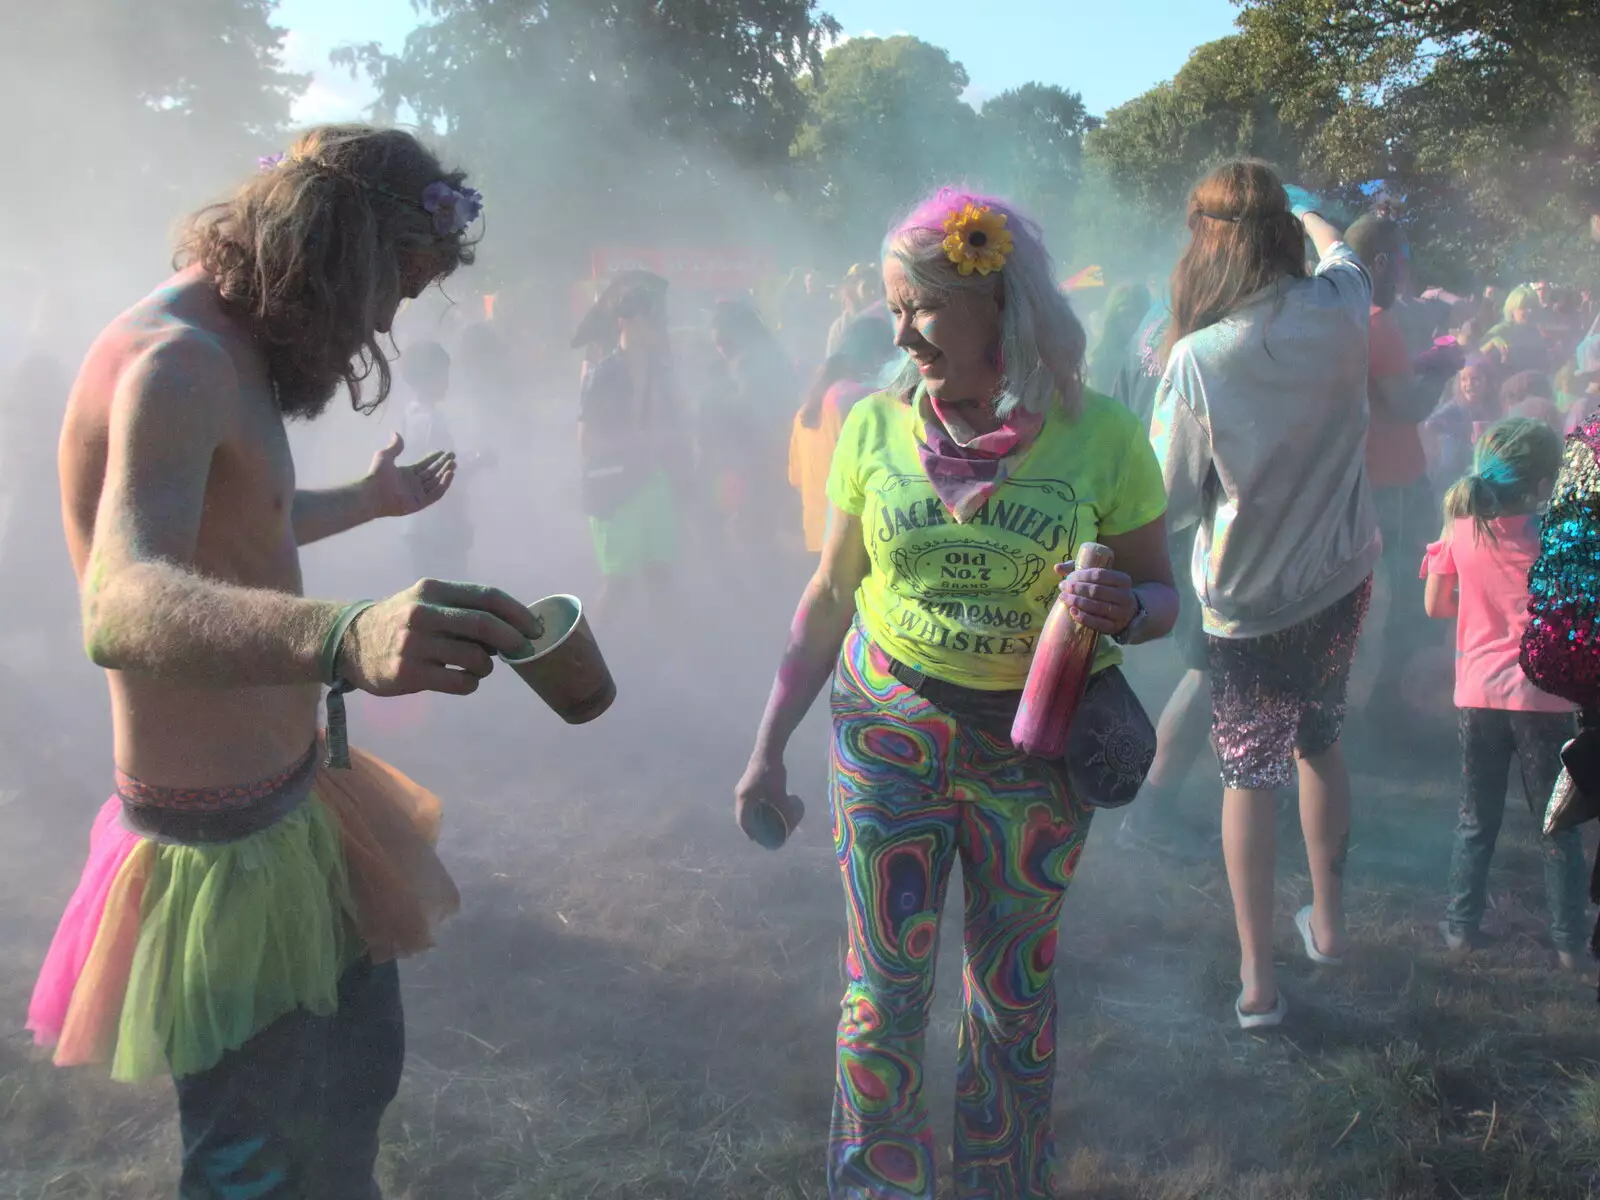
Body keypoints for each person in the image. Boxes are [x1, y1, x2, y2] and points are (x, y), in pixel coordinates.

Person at [25, 125, 540, 1199]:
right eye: (393, 282)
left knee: (353, 1092)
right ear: (337, 248)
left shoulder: (231, 342)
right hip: (220, 842)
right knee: (254, 1163)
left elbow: (238, 524)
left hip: (302, 804)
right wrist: (341, 636)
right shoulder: (178, 361)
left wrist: (368, 501)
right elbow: (122, 602)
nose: (390, 319)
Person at [737, 187, 1176, 1198]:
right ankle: (877, 1188)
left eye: (920, 307)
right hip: (887, 733)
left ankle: (1000, 1185)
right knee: (882, 991)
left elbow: (1164, 601)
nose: (898, 332)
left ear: (1002, 305)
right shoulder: (872, 427)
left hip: (1036, 752)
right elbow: (830, 591)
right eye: (892, 307)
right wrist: (768, 742)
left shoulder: (1101, 433)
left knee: (1010, 995)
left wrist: (1124, 605)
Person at [1151, 163, 1381, 1028]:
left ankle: (1258, 983)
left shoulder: (1200, 360)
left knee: (1248, 775)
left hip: (1249, 604)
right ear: (1284, 231)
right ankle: (1329, 928)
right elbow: (1345, 254)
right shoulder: (1342, 307)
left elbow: (1167, 497)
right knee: (1321, 739)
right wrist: (1315, 215)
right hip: (1343, 576)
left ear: (1205, 244)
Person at [1421, 417, 1586, 969]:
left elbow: (1437, 606)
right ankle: (1569, 947)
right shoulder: (1558, 536)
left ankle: (1460, 931)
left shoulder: (1460, 530)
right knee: (1557, 825)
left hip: (1477, 695)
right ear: (1543, 486)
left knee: (1475, 819)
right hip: (1544, 698)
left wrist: (1479, 604)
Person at [1343, 214, 1463, 727]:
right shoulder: (1376, 320)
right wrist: (1442, 368)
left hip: (1358, 479)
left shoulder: (1339, 313)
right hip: (1392, 484)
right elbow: (1406, 406)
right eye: (1404, 263)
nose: (1406, 278)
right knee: (1409, 600)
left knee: (1365, 600)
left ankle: (1375, 707)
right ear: (1383, 263)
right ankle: (1396, 711)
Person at [573, 270, 685, 620]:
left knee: (660, 574)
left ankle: (666, 652)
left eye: (660, 316)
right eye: (651, 316)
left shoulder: (662, 369)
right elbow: (585, 439)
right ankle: (585, 657)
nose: (659, 323)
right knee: (618, 583)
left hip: (652, 480)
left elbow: (672, 424)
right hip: (614, 486)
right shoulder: (605, 374)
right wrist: (637, 441)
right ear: (624, 322)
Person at [788, 314, 894, 554]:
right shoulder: (863, 399)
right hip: (853, 544)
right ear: (878, 357)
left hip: (817, 542)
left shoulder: (806, 408)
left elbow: (796, 479)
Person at [398, 340, 474, 582]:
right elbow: (445, 477)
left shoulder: (410, 413)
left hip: (416, 524)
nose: (448, 382)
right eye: (443, 374)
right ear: (429, 377)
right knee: (450, 600)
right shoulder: (432, 420)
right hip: (438, 528)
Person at [1085, 282, 1152, 395]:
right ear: (1113, 316)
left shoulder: (1153, 354)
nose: (1134, 321)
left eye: (1141, 313)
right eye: (1126, 314)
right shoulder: (1100, 361)